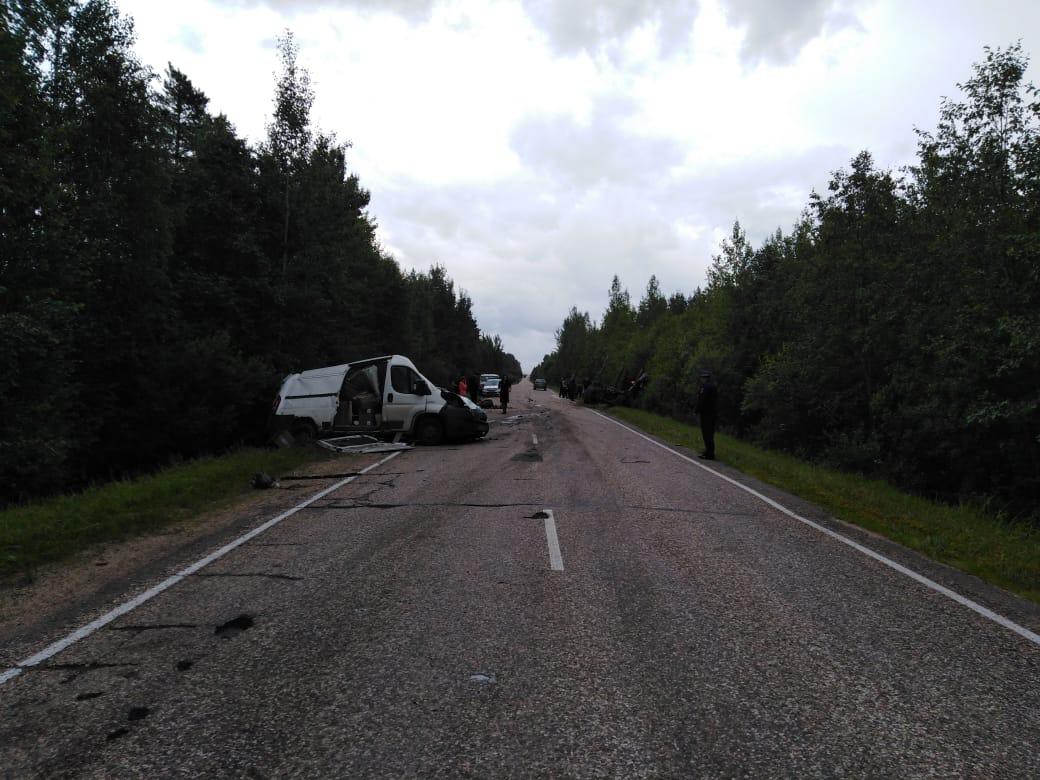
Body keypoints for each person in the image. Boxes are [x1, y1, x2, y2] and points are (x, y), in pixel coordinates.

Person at [694, 370, 718, 460]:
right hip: (712, 413)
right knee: (710, 433)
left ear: (705, 378)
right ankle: (708, 451)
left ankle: (710, 453)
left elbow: (702, 401)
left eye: (702, 378)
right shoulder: (713, 386)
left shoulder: (705, 387)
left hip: (706, 414)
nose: (701, 379)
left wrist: (697, 410)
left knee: (706, 433)